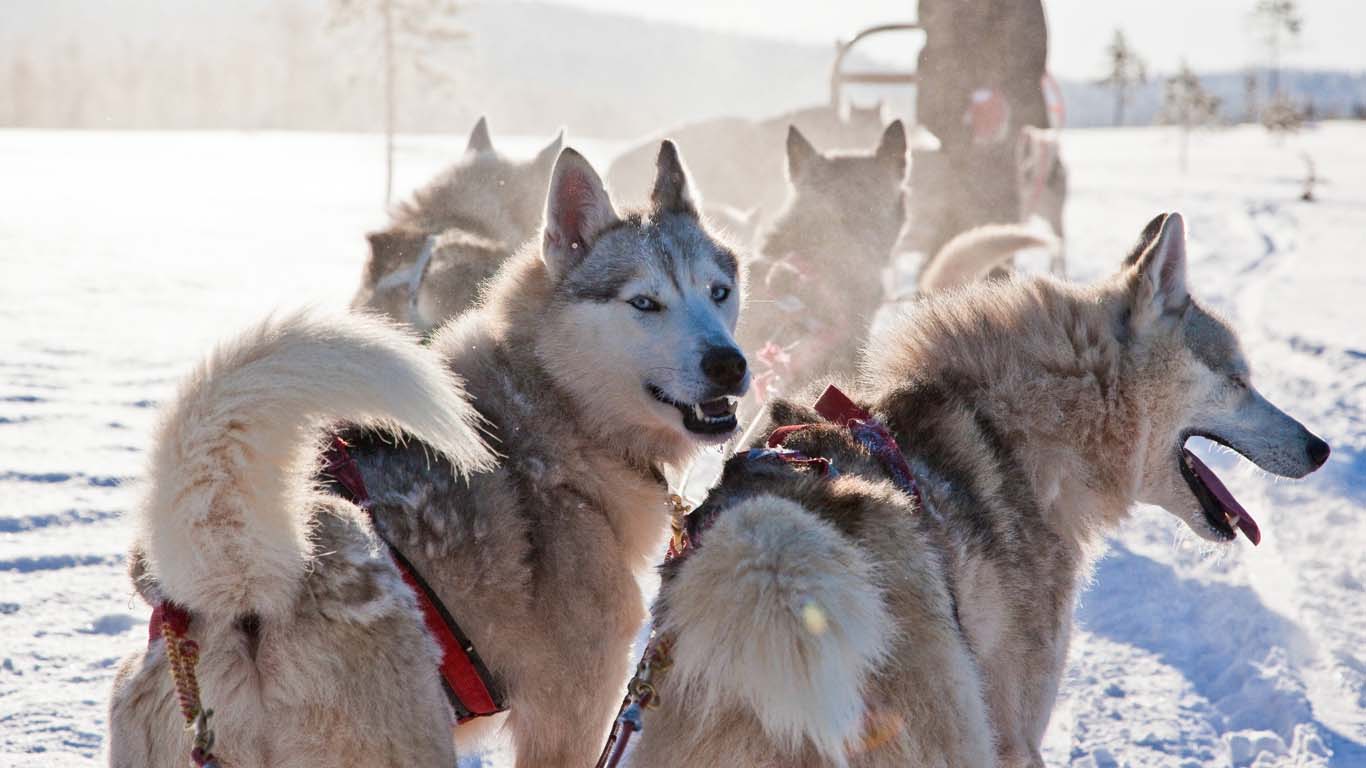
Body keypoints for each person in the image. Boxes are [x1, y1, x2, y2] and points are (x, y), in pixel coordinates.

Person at [906, 0, 1051, 257]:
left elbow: (1025, 31)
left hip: (996, 110)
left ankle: (981, 269)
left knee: (989, 208)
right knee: (961, 200)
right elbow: (935, 19)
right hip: (954, 105)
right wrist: (971, 95)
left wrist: (992, 93)